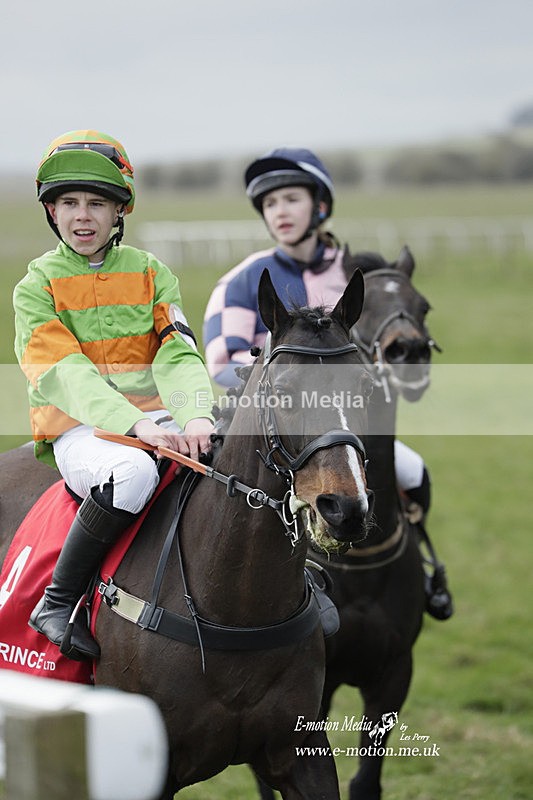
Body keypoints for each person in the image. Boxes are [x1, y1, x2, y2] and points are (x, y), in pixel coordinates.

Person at [203, 146, 452, 619]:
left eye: (291, 199)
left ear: (320, 206)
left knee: (414, 475)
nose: (280, 212)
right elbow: (220, 360)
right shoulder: (242, 280)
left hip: (346, 424)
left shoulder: (353, 276)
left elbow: (387, 342)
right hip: (271, 426)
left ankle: (421, 570)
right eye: (270, 204)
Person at [14, 130, 215, 661]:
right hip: (80, 430)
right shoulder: (36, 287)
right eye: (69, 203)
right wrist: (133, 425)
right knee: (134, 473)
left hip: (159, 418)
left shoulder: (153, 273)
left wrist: (196, 416)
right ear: (51, 211)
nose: (83, 216)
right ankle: (56, 602)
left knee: (251, 444)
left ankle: (303, 579)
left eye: (96, 203)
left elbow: (177, 354)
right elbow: (63, 372)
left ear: (120, 209)